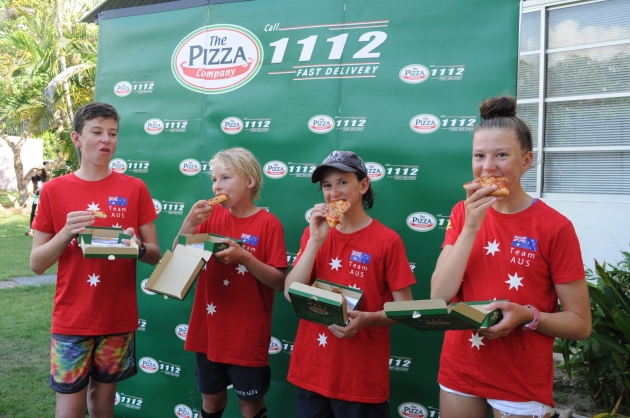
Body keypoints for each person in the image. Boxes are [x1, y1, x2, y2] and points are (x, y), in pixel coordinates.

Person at [430, 96, 591, 418]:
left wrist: (528, 316)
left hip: (521, 378)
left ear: (526, 161)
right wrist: (471, 227)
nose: (488, 167)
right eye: (479, 155)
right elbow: (438, 296)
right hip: (461, 367)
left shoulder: (555, 227)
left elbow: (580, 324)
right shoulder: (462, 213)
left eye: (501, 155)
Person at [30, 102, 161, 418]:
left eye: (113, 133)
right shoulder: (54, 190)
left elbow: (154, 254)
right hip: (72, 318)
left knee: (103, 407)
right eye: (97, 132)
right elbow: (37, 264)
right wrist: (65, 233)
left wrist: (138, 247)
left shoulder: (134, 188)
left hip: (117, 317)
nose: (106, 140)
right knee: (69, 411)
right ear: (77, 138)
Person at [284, 150, 416, 418]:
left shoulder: (387, 240)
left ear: (363, 185)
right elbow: (290, 293)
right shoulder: (314, 234)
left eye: (342, 182)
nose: (334, 193)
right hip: (312, 372)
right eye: (327, 186)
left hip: (360, 380)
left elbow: (405, 308)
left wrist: (368, 319)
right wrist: (315, 242)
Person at [176, 147, 287, 418]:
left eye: (225, 178)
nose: (217, 186)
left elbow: (279, 282)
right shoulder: (209, 218)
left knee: (250, 407)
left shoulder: (268, 223)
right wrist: (189, 224)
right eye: (214, 179)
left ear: (249, 181)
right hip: (207, 331)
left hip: (246, 335)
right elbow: (177, 265)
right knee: (211, 403)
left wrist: (245, 258)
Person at [25, 165, 48, 236]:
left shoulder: (47, 178)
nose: (37, 172)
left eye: (39, 170)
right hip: (37, 196)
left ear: (43, 171)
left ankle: (44, 229)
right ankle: (31, 229)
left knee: (44, 212)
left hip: (44, 196)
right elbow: (25, 178)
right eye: (37, 170)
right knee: (33, 211)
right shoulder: (34, 178)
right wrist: (31, 171)